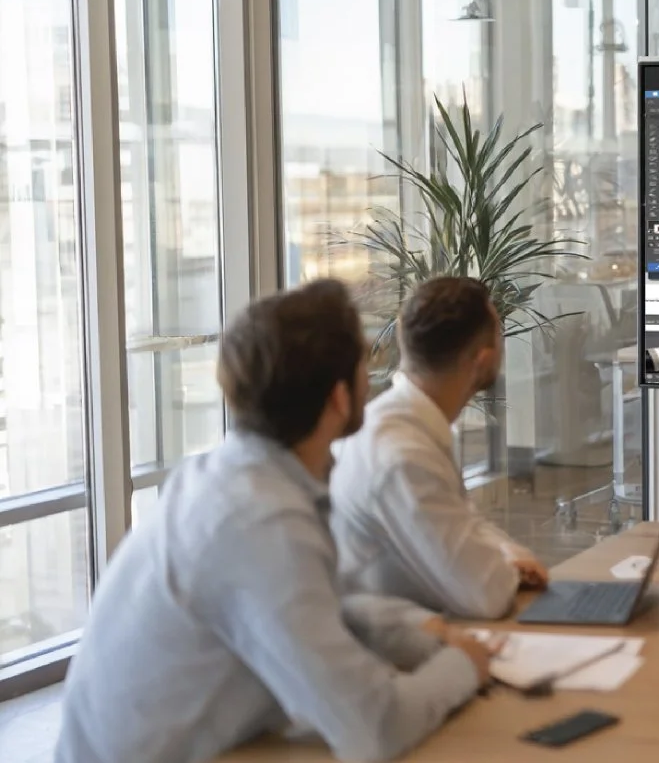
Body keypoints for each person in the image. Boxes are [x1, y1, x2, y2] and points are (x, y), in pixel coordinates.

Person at [56, 280, 495, 763]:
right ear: (338, 399)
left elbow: (317, 608)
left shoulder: (228, 476)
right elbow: (375, 726)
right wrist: (463, 667)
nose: (371, 378)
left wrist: (418, 635)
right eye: (362, 365)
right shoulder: (261, 522)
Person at [332, 276, 547, 621]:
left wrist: (505, 552)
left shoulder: (396, 424)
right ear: (482, 360)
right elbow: (486, 595)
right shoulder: (403, 456)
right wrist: (507, 564)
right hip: (402, 651)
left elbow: (461, 524)